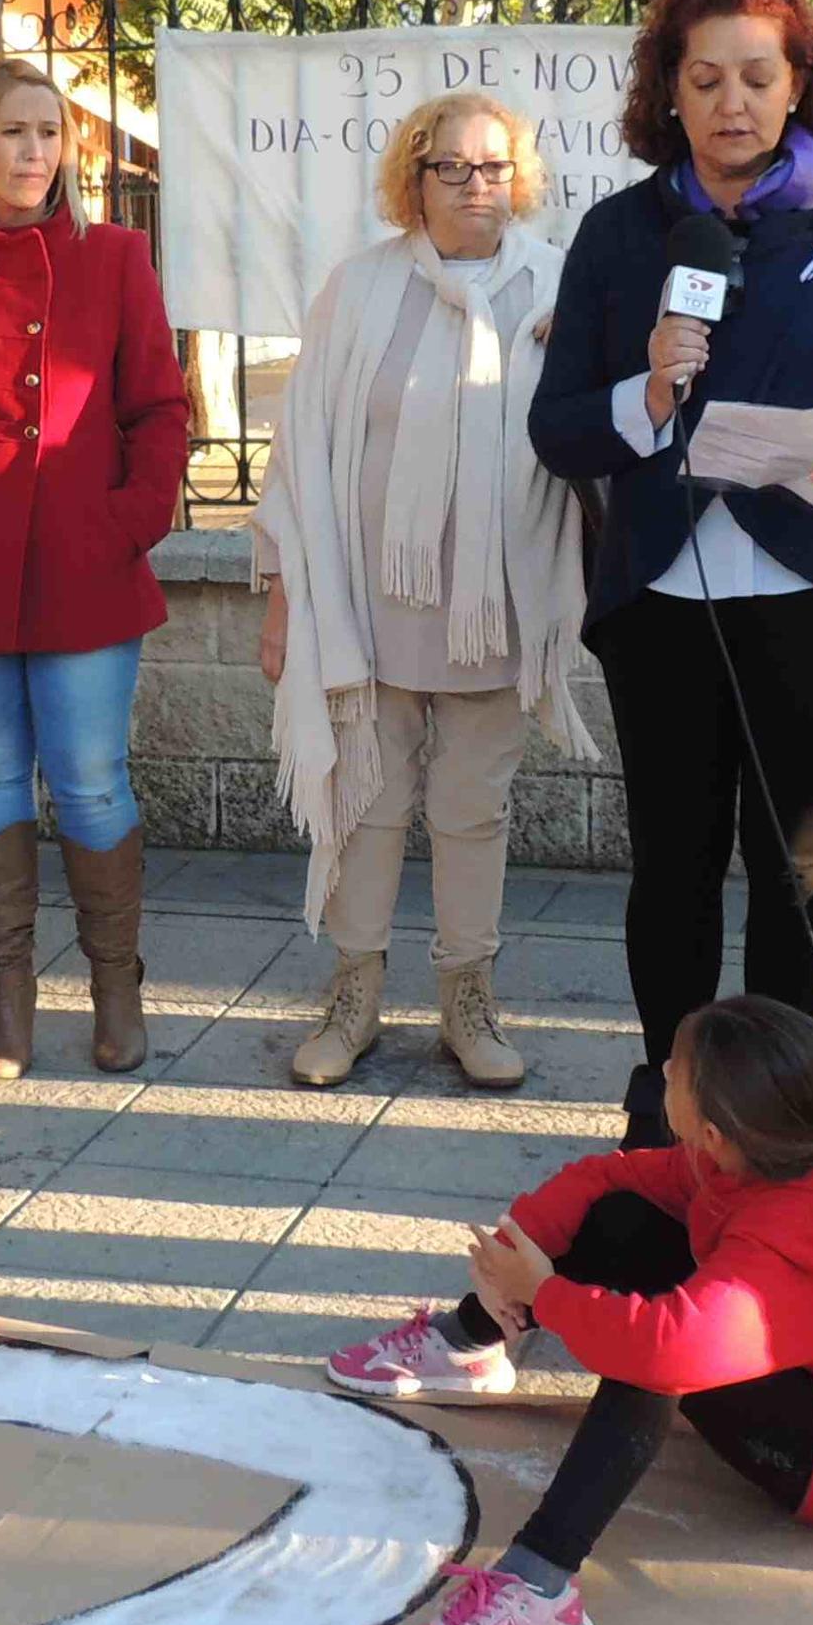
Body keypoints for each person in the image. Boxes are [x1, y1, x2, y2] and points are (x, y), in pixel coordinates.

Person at [529, 0, 813, 1147]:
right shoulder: (620, 234)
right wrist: (645, 392)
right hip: (663, 602)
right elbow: (556, 426)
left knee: (794, 874)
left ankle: (783, 1122)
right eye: (705, 78)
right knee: (671, 870)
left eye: (757, 78)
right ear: (668, 93)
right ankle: (671, 1111)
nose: (732, 102)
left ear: (798, 86)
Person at [324, 995, 813, 1625]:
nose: (662, 1073)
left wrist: (547, 1294)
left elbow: (665, 1351)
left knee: (652, 1351)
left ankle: (541, 1585)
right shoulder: (758, 1151)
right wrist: (511, 1259)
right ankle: (471, 1342)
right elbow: (608, 1178)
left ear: (710, 1129)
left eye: (674, 1070)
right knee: (620, 1220)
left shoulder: (792, 1233)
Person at [255, 89, 595, 1092]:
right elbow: (301, 446)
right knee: (365, 802)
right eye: (451, 166)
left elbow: (596, 432)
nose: (474, 184)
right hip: (368, 604)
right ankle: (353, 995)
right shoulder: (360, 288)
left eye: (492, 166)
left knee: (471, 810)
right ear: (415, 178)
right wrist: (284, 599)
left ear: (518, 177)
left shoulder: (557, 288)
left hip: (496, 607)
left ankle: (467, 1001)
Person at [0, 54, 189, 1077]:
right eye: (13, 131)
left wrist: (125, 524)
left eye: (50, 132)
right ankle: (9, 1001)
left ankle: (116, 992)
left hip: (84, 565)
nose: (35, 152)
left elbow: (159, 408)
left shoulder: (114, 256)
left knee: (92, 784)